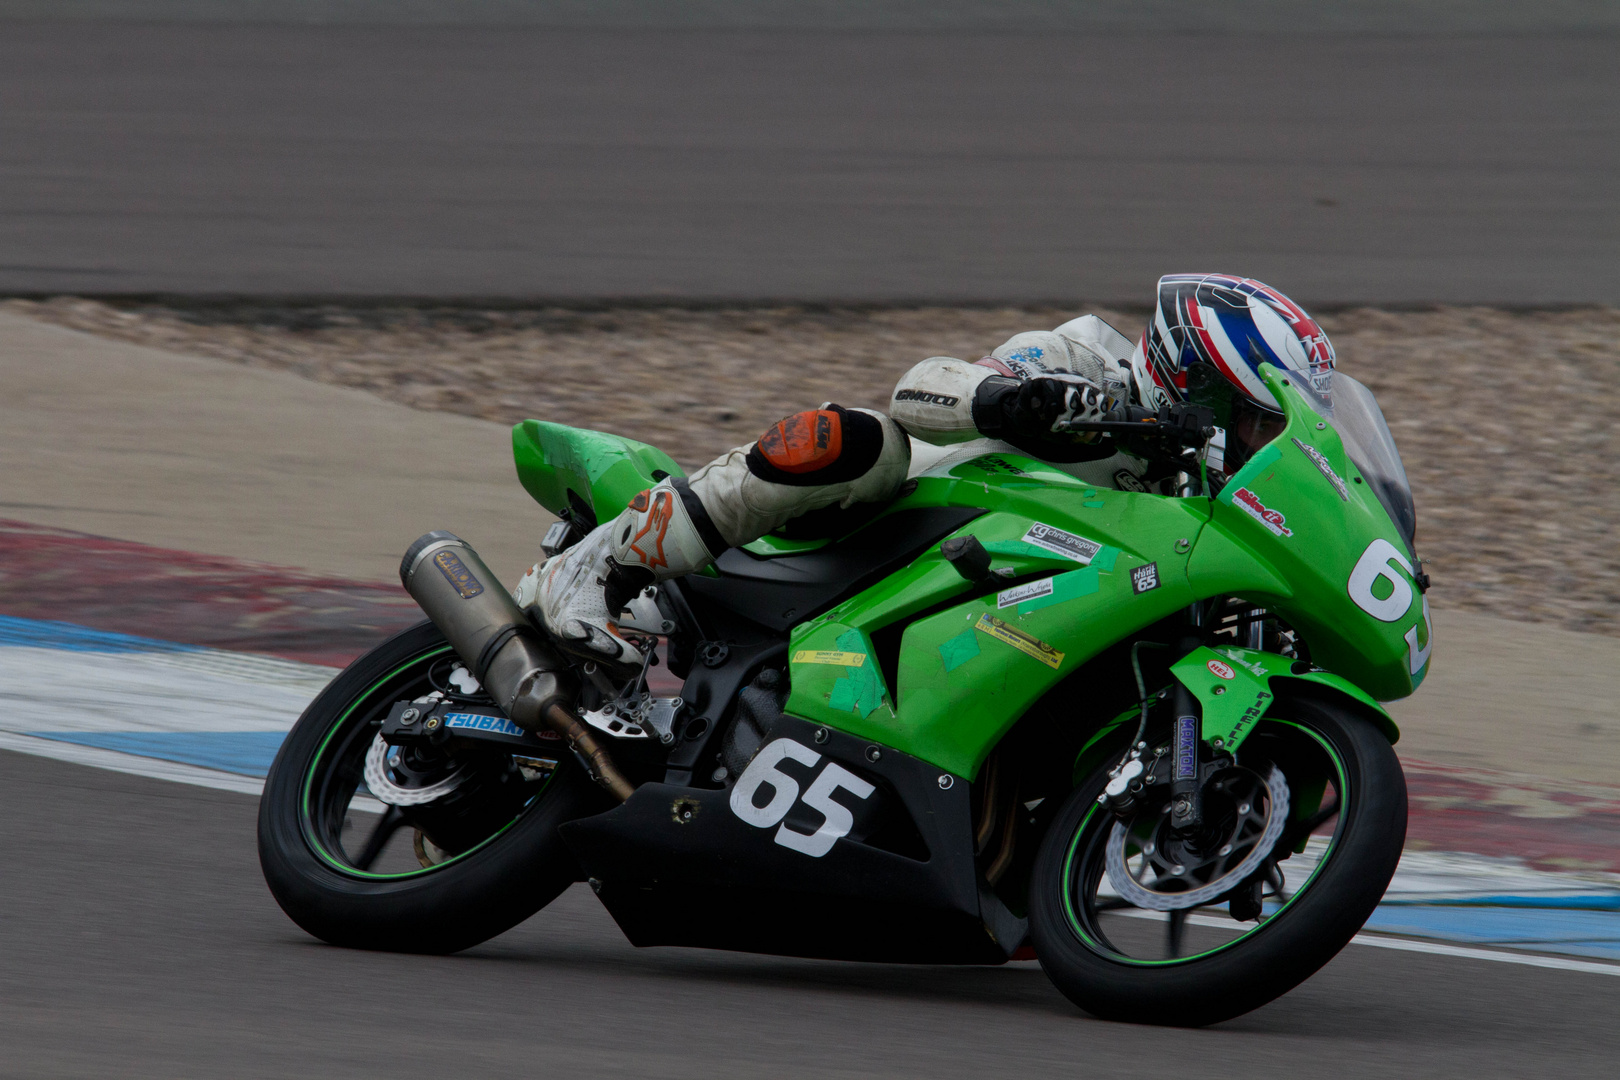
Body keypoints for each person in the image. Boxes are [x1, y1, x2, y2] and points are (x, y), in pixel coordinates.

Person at [518, 274, 1337, 668]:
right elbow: (922, 388)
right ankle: (597, 566)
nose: (1255, 438)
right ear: (1191, 375)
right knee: (858, 438)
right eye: (1252, 416)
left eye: (1272, 426)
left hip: (989, 616)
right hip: (876, 535)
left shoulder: (1193, 495)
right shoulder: (1085, 363)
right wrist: (1013, 401)